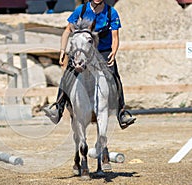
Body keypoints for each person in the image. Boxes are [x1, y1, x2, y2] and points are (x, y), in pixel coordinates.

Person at [43, 0, 136, 129]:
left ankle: (122, 113)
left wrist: (114, 51)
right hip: (83, 50)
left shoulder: (111, 12)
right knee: (67, 74)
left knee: (114, 75)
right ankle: (58, 108)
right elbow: (67, 31)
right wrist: (63, 50)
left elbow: (115, 37)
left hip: (103, 51)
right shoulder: (80, 10)